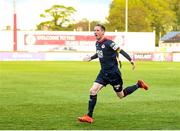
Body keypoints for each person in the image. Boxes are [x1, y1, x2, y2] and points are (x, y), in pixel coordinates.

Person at [78, 24, 149, 123]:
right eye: (94, 30)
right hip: (103, 73)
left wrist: (131, 60)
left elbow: (121, 51)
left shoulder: (110, 43)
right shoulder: (97, 43)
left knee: (121, 95)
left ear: (103, 32)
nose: (95, 32)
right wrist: (90, 58)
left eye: (97, 30)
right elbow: (99, 54)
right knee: (92, 91)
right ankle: (89, 116)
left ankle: (138, 85)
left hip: (114, 75)